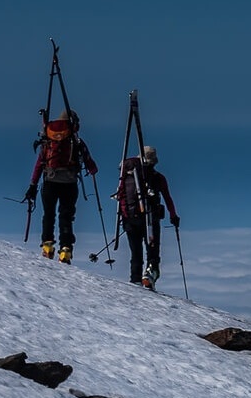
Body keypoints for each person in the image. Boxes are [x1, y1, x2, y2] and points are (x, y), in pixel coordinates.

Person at [26, 111, 99, 263]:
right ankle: (65, 249)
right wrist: (91, 169)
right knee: (66, 216)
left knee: (48, 214)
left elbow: (39, 164)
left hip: (50, 181)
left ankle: (47, 246)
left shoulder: (48, 139)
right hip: (69, 182)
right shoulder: (76, 141)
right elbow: (91, 165)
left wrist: (32, 185)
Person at [115, 145, 180, 289]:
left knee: (135, 252)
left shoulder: (128, 174)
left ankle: (135, 279)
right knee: (152, 252)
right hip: (150, 219)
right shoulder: (158, 178)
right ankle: (150, 276)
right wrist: (173, 216)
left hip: (129, 217)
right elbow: (167, 198)